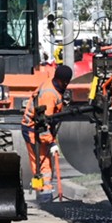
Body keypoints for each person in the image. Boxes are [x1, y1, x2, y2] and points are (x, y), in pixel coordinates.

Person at [21, 63, 72, 195]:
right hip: (34, 130)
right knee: (42, 164)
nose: (66, 85)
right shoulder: (49, 94)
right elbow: (43, 124)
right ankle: (44, 193)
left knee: (45, 162)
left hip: (38, 129)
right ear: (60, 80)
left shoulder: (54, 86)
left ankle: (44, 191)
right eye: (65, 82)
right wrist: (51, 142)